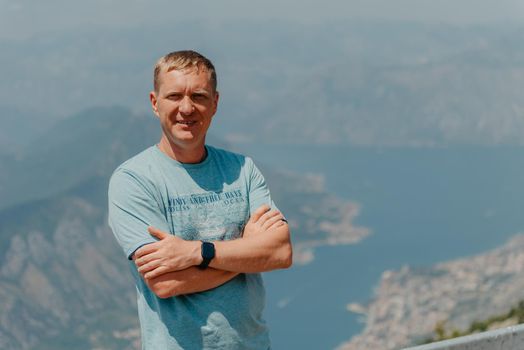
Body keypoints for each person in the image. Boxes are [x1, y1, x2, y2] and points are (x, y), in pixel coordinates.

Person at [108, 50, 292, 350]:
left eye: (199, 96)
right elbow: (165, 283)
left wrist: (197, 253)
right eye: (174, 96)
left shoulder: (242, 169)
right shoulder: (133, 180)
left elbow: (281, 253)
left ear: (215, 103)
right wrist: (248, 253)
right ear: (155, 103)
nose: (187, 108)